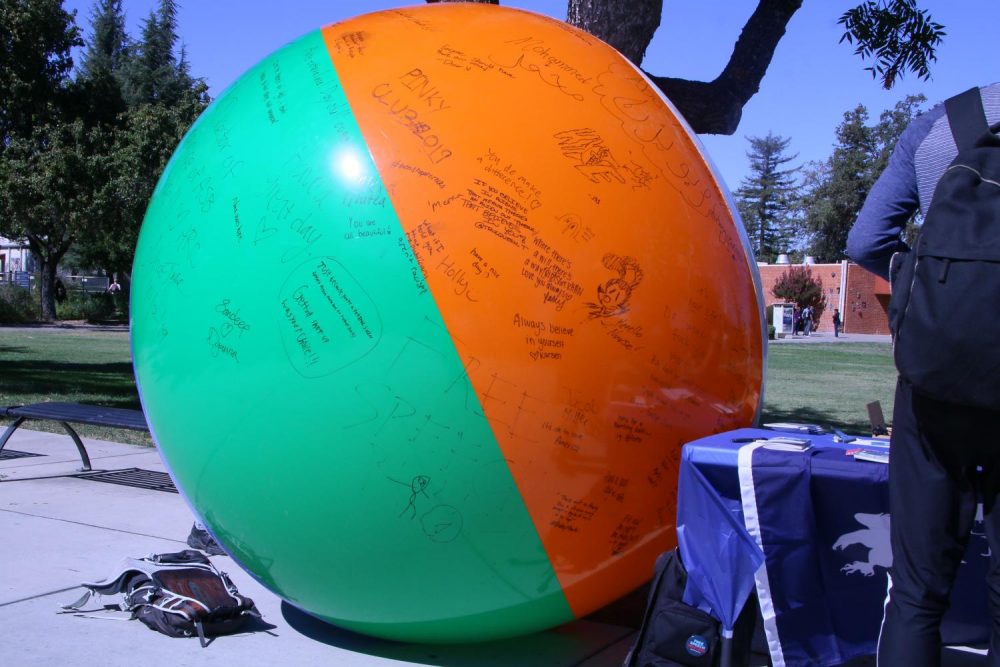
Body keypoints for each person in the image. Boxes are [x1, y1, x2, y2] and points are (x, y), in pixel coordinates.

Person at [847, 82, 1000, 667]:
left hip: (935, 381)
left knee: (916, 593)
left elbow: (866, 239)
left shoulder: (943, 122)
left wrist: (921, 287)